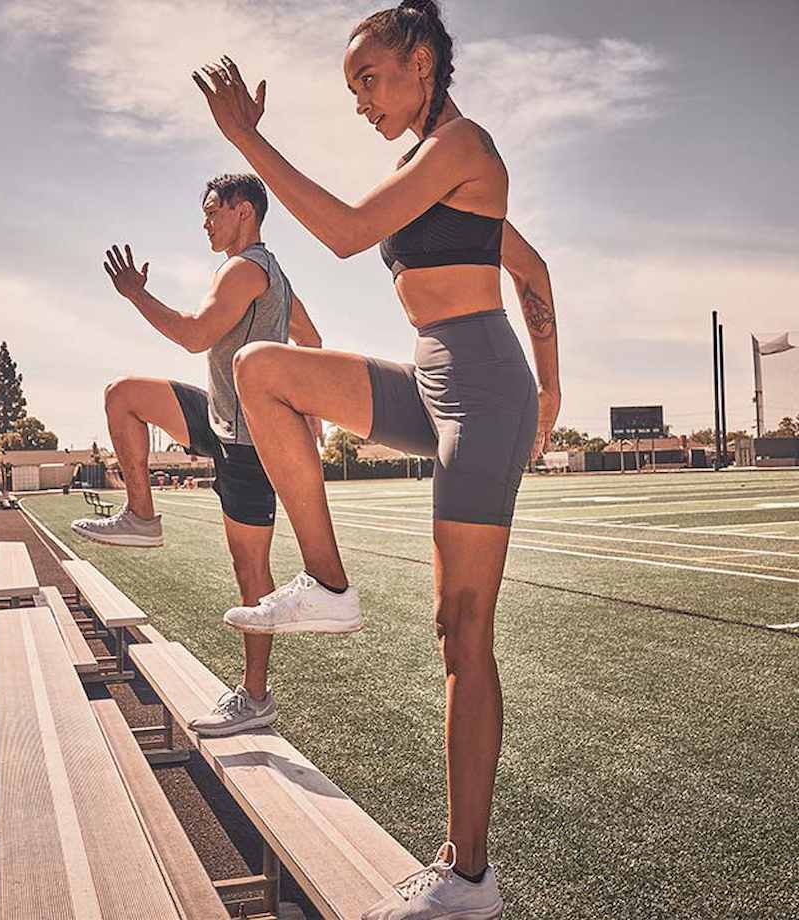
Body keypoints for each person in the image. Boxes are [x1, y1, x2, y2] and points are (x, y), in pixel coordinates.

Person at [192, 2, 560, 917]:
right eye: (350, 86)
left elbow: (353, 233)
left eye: (368, 78)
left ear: (423, 62)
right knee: (262, 369)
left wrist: (546, 395)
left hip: (482, 386)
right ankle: (327, 581)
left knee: (458, 628)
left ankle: (468, 874)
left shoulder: (465, 146)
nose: (359, 100)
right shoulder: (423, 171)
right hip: (431, 375)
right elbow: (522, 261)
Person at [71, 173, 326, 737]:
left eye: (211, 210)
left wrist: (137, 295)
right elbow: (310, 337)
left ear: (243, 210)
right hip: (218, 414)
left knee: (250, 571)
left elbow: (192, 335)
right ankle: (141, 515)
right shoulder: (271, 274)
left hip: (250, 441)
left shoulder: (247, 268)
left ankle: (255, 699)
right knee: (124, 395)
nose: (204, 221)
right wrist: (314, 406)